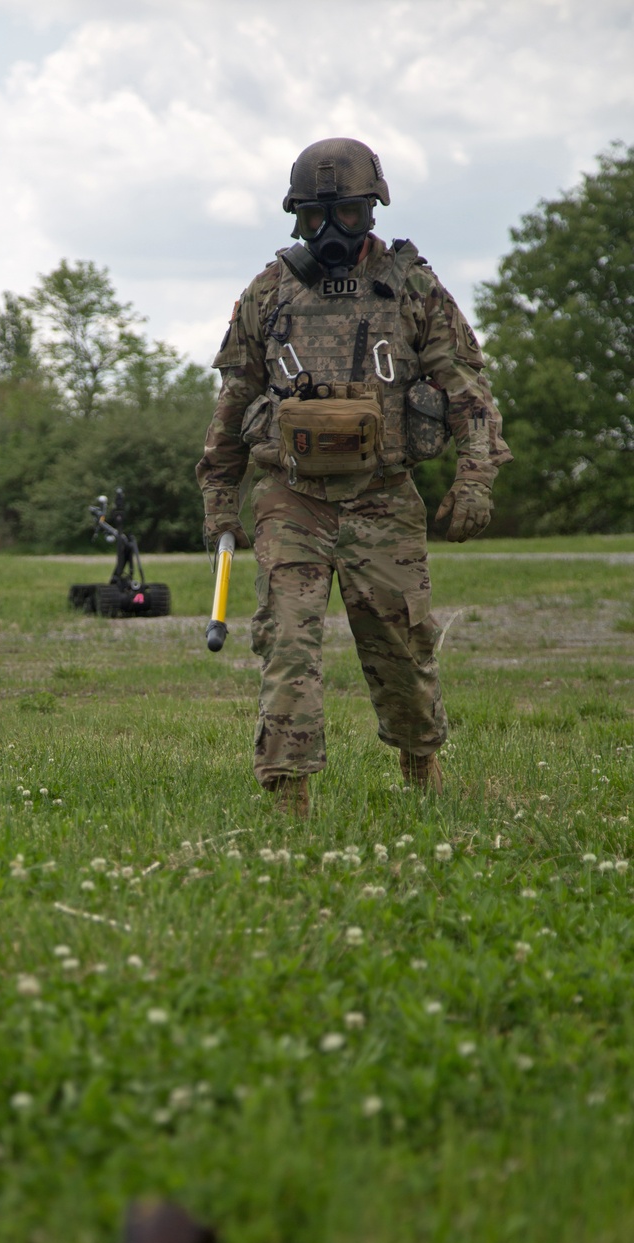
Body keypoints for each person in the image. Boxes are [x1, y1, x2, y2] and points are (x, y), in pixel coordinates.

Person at [197, 137, 511, 815]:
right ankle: (289, 798)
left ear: (372, 211)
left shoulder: (412, 289)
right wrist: (220, 502)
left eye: (349, 216)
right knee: (287, 641)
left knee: (402, 646)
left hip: (383, 500)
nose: (333, 233)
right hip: (293, 499)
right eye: (317, 219)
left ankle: (420, 768)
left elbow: (467, 391)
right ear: (297, 220)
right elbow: (232, 404)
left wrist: (475, 477)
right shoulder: (269, 292)